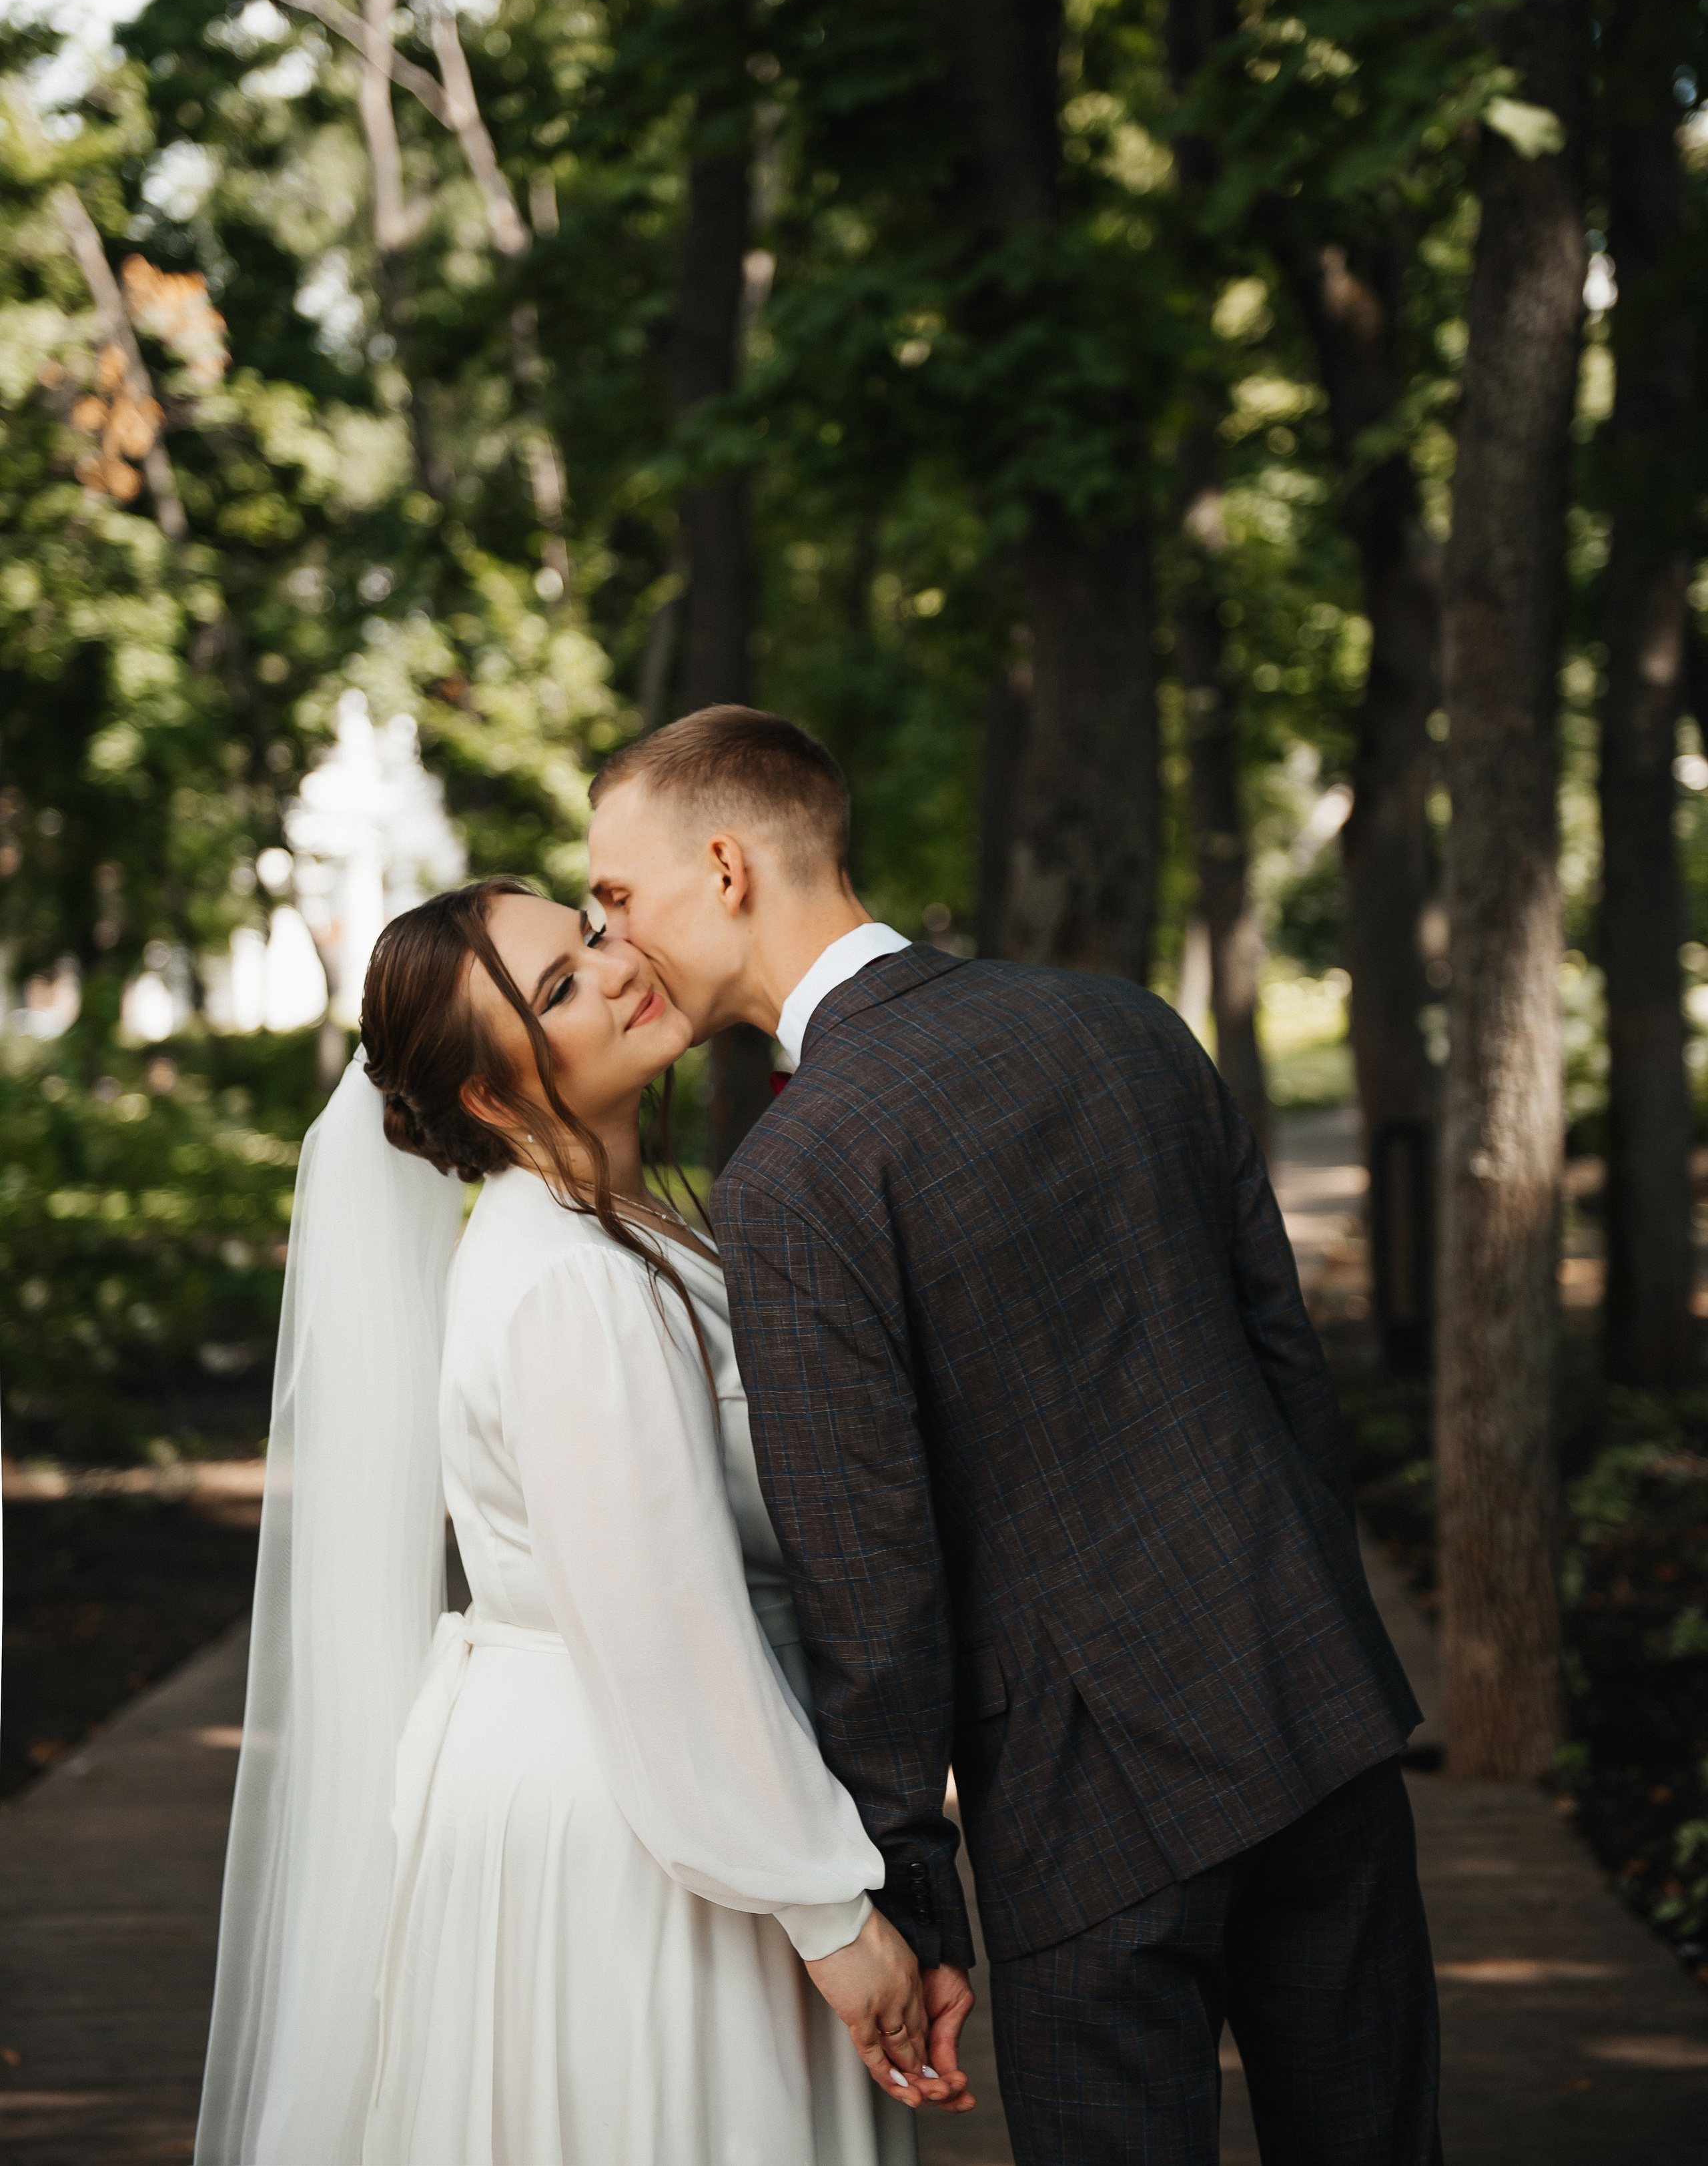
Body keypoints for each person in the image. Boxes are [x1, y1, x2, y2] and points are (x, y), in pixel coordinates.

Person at [586, 705, 1443, 2166]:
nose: (613, 937)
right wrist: (1318, 1627)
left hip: (1083, 1798)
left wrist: (910, 1895)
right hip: (1315, 1706)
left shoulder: (796, 1173)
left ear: (724, 868)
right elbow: (1283, 1367)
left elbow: (870, 1571)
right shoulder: (1123, 1022)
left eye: (616, 893)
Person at [195, 875, 973, 2165]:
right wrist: (834, 1919)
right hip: (653, 1823)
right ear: (495, 1100)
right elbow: (669, 1637)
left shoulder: (603, 1233)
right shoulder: (574, 1287)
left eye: (592, 937)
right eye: (559, 989)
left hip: (654, 1793)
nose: (618, 969)